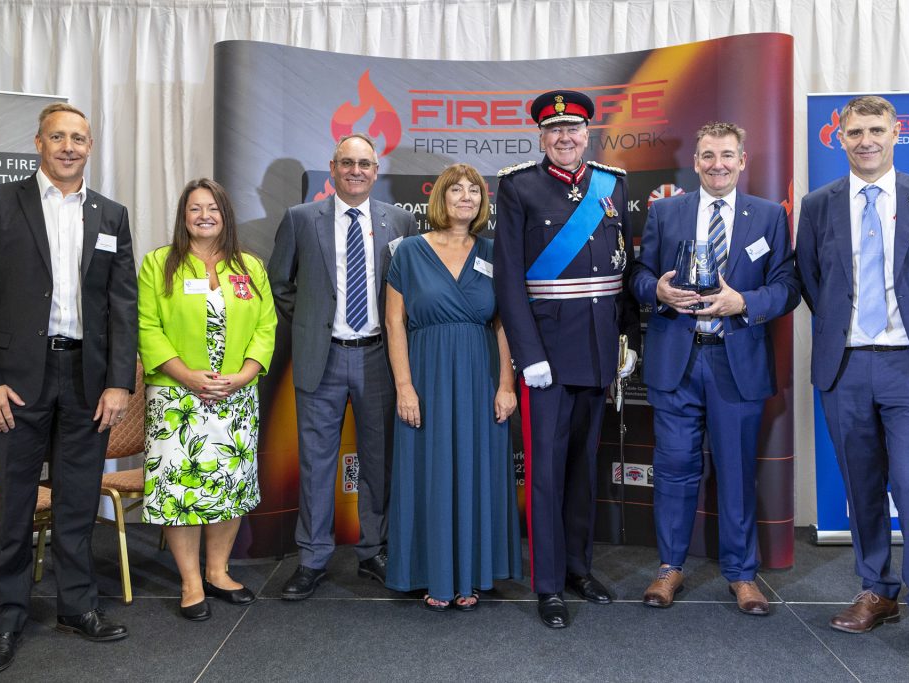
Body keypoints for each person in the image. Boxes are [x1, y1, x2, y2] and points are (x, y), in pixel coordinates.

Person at [0, 103, 137, 676]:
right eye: (57, 136)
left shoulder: (111, 214)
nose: (68, 146)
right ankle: (5, 620)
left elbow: (122, 307)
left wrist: (117, 382)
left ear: (90, 146)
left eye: (79, 138)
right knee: (14, 506)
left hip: (87, 381)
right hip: (13, 384)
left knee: (79, 502)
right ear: (38, 143)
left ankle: (77, 607)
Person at [796, 95, 909, 666]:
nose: (865, 139)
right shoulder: (818, 205)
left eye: (876, 129)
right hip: (844, 364)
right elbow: (811, 280)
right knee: (861, 482)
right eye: (854, 131)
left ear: (897, 133)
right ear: (839, 137)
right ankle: (877, 590)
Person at [630, 122, 800, 616]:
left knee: (736, 471)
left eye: (727, 155)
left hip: (736, 362)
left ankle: (742, 575)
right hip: (676, 362)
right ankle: (669, 569)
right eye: (708, 155)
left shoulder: (769, 216)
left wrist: (741, 301)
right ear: (696, 161)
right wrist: (657, 290)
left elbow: (788, 285)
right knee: (675, 471)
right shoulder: (666, 212)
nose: (717, 164)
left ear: (742, 161)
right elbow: (638, 274)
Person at [493, 90, 639, 629]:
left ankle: (580, 566)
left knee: (583, 469)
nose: (564, 138)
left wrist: (625, 342)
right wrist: (527, 356)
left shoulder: (613, 184)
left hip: (598, 351)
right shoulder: (518, 187)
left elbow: (622, 269)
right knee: (547, 474)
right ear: (541, 137)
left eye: (573, 129)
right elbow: (509, 278)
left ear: (587, 134)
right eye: (554, 130)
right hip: (547, 358)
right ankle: (549, 583)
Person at [268, 133, 416, 600]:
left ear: (376, 171)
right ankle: (312, 558)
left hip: (378, 356)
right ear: (332, 168)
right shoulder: (300, 219)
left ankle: (374, 550)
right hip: (323, 356)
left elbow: (409, 290)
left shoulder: (401, 222)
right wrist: (313, 323)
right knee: (316, 463)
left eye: (365, 164)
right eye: (347, 163)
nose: (356, 171)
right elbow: (279, 282)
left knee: (380, 460)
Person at [384, 163, 522, 611]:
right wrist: (404, 387)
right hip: (425, 375)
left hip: (481, 375)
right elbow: (394, 323)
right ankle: (433, 573)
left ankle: (473, 575)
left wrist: (506, 385)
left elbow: (504, 324)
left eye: (475, 192)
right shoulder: (407, 252)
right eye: (456, 190)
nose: (466, 198)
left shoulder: (495, 251)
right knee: (430, 471)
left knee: (476, 470)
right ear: (440, 198)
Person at [137, 178, 276, 620]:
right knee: (183, 490)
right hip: (177, 398)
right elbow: (147, 327)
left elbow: (266, 327)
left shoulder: (250, 267)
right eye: (195, 209)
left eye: (212, 209)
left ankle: (218, 571)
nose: (204, 216)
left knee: (228, 487)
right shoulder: (159, 264)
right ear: (183, 216)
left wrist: (242, 376)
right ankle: (190, 581)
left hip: (236, 397)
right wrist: (187, 375)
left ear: (225, 215)